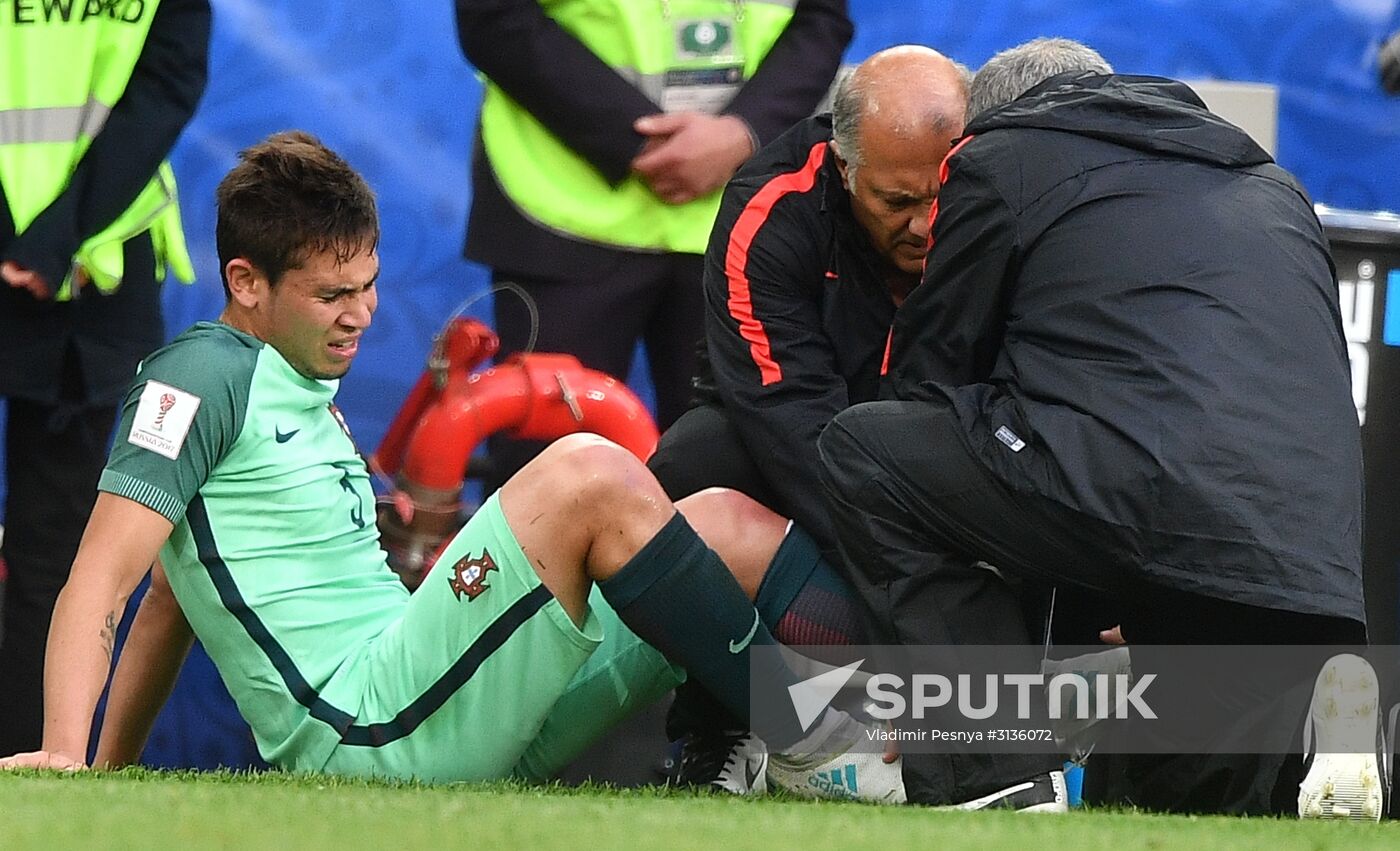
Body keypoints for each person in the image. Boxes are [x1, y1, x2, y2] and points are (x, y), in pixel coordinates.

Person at [0, 132, 902, 804]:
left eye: (368, 286)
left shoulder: (296, 383)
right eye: (330, 295)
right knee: (589, 468)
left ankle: (936, 730)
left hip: (443, 709)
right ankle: (823, 743)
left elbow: (172, 597)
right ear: (245, 282)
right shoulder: (195, 377)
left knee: (719, 521)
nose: (360, 315)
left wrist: (109, 775)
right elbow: (103, 581)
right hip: (370, 738)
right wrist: (68, 755)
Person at [818, 37, 1369, 816]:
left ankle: (997, 771)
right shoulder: (1277, 189)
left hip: (1146, 509)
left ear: (986, 128)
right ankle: (1330, 752)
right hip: (1308, 563)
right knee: (1156, 812)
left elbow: (934, 379)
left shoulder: (1002, 156)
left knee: (869, 448)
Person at [646, 45, 975, 787]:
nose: (927, 225)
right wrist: (902, 632)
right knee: (693, 467)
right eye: (897, 203)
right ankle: (720, 721)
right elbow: (794, 428)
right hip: (808, 441)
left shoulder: (1001, 199)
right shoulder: (768, 212)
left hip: (951, 447)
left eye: (942, 194)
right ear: (842, 167)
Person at [454, 0, 852, 491]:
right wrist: (636, 140)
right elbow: (493, 16)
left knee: (742, 479)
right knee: (547, 477)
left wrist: (744, 133)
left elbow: (823, 17)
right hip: (567, 207)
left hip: (746, 221)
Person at [0, 0, 209, 757]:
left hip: (90, 276)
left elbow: (168, 81)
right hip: (81, 261)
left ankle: (32, 769)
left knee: (54, 551)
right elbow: (169, 80)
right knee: (52, 553)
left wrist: (51, 235)